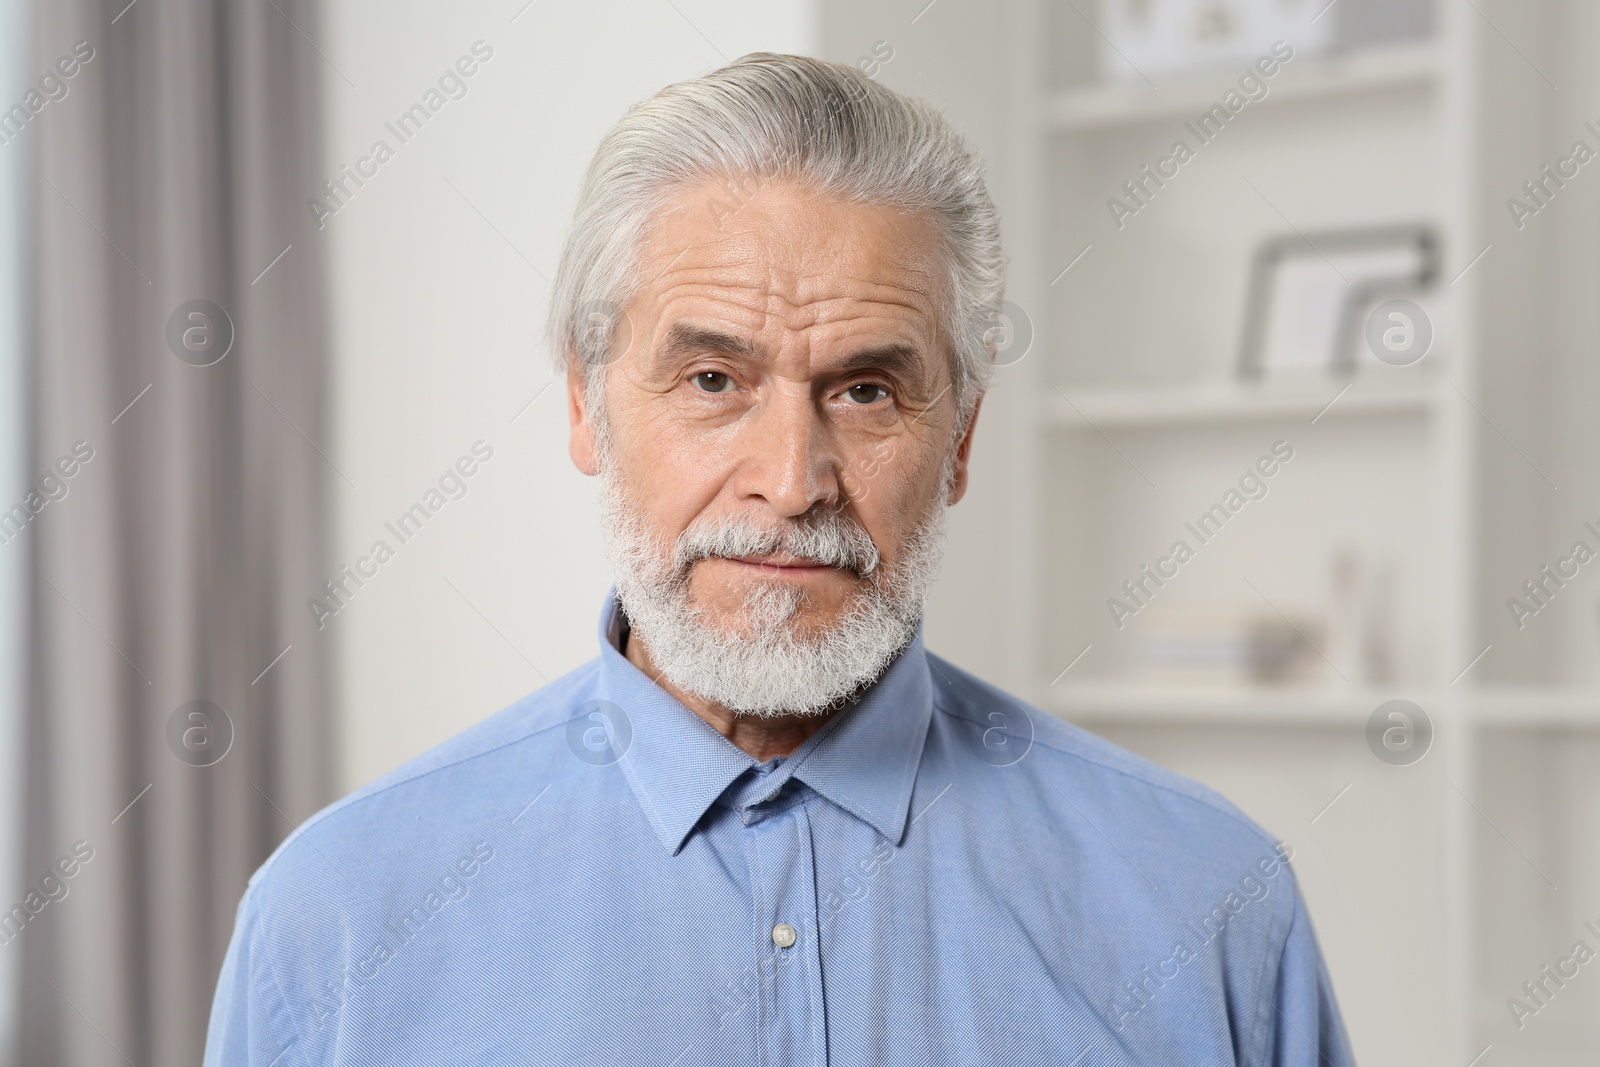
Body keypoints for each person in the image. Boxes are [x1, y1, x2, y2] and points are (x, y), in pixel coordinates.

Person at [204, 52, 1354, 1065]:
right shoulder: (337, 918)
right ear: (584, 404)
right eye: (713, 380)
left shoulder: (1208, 902)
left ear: (958, 437)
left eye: (865, 390)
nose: (792, 479)